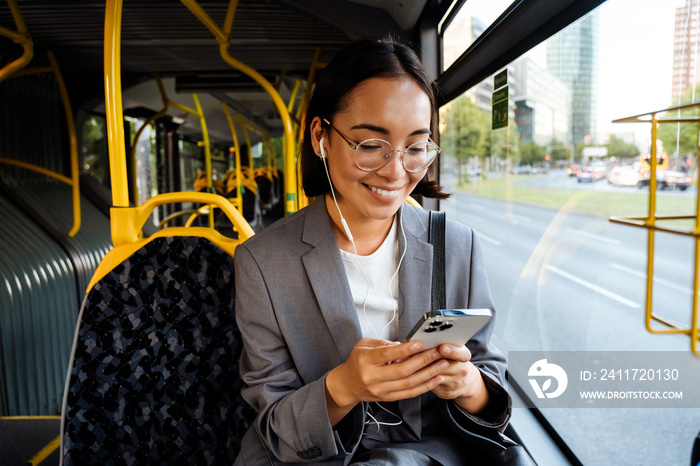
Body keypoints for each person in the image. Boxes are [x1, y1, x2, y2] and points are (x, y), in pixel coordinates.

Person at [233, 37, 510, 465]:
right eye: (370, 145)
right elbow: (273, 426)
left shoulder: (457, 246)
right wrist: (343, 388)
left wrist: (467, 385)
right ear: (321, 137)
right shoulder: (263, 262)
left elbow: (491, 383)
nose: (396, 171)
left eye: (416, 148)